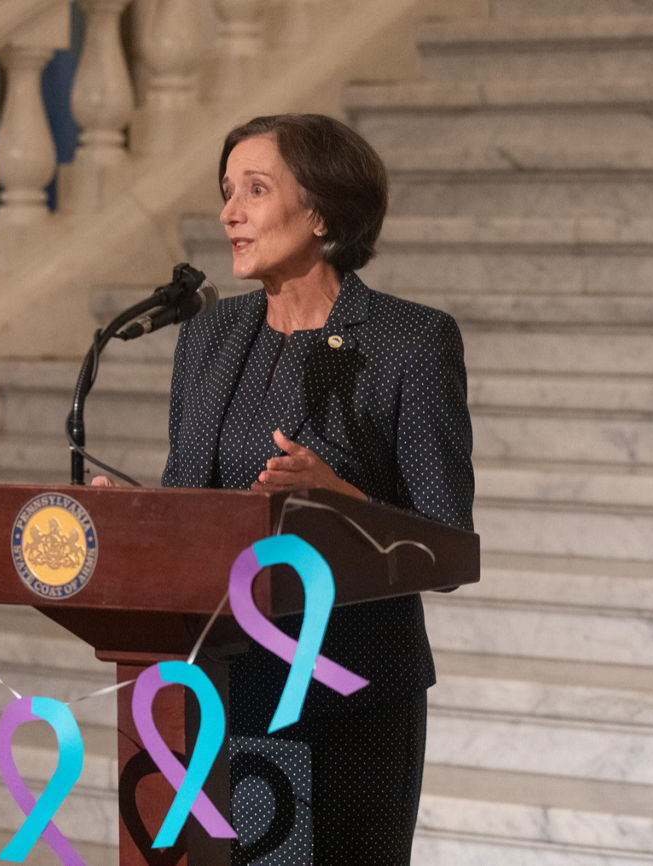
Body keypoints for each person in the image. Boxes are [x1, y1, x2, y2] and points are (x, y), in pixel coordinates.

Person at [155, 113, 475, 864]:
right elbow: (188, 503)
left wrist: (340, 497)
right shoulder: (208, 336)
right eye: (227, 190)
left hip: (350, 688)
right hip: (223, 680)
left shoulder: (409, 341)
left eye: (256, 190)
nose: (230, 211)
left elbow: (447, 542)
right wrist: (133, 513)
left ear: (322, 211)